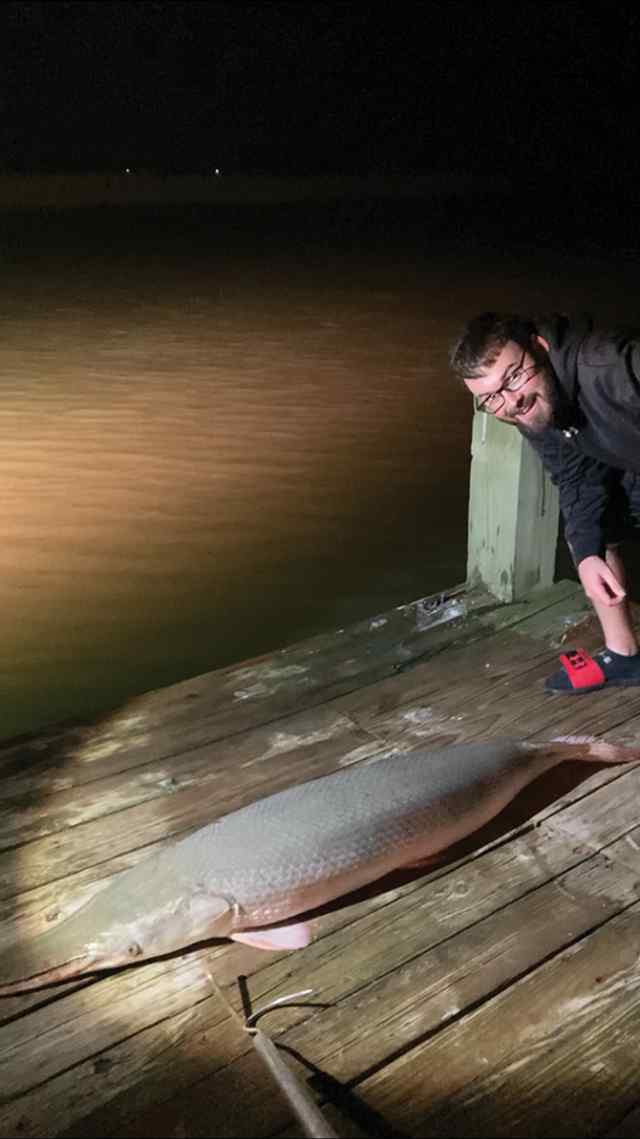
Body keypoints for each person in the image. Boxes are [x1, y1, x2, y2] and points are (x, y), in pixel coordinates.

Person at [450, 311, 640, 694]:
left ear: (540, 347)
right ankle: (625, 657)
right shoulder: (533, 408)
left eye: (513, 377)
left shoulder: (613, 368)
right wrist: (587, 554)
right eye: (490, 397)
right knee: (590, 531)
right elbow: (575, 478)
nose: (511, 401)